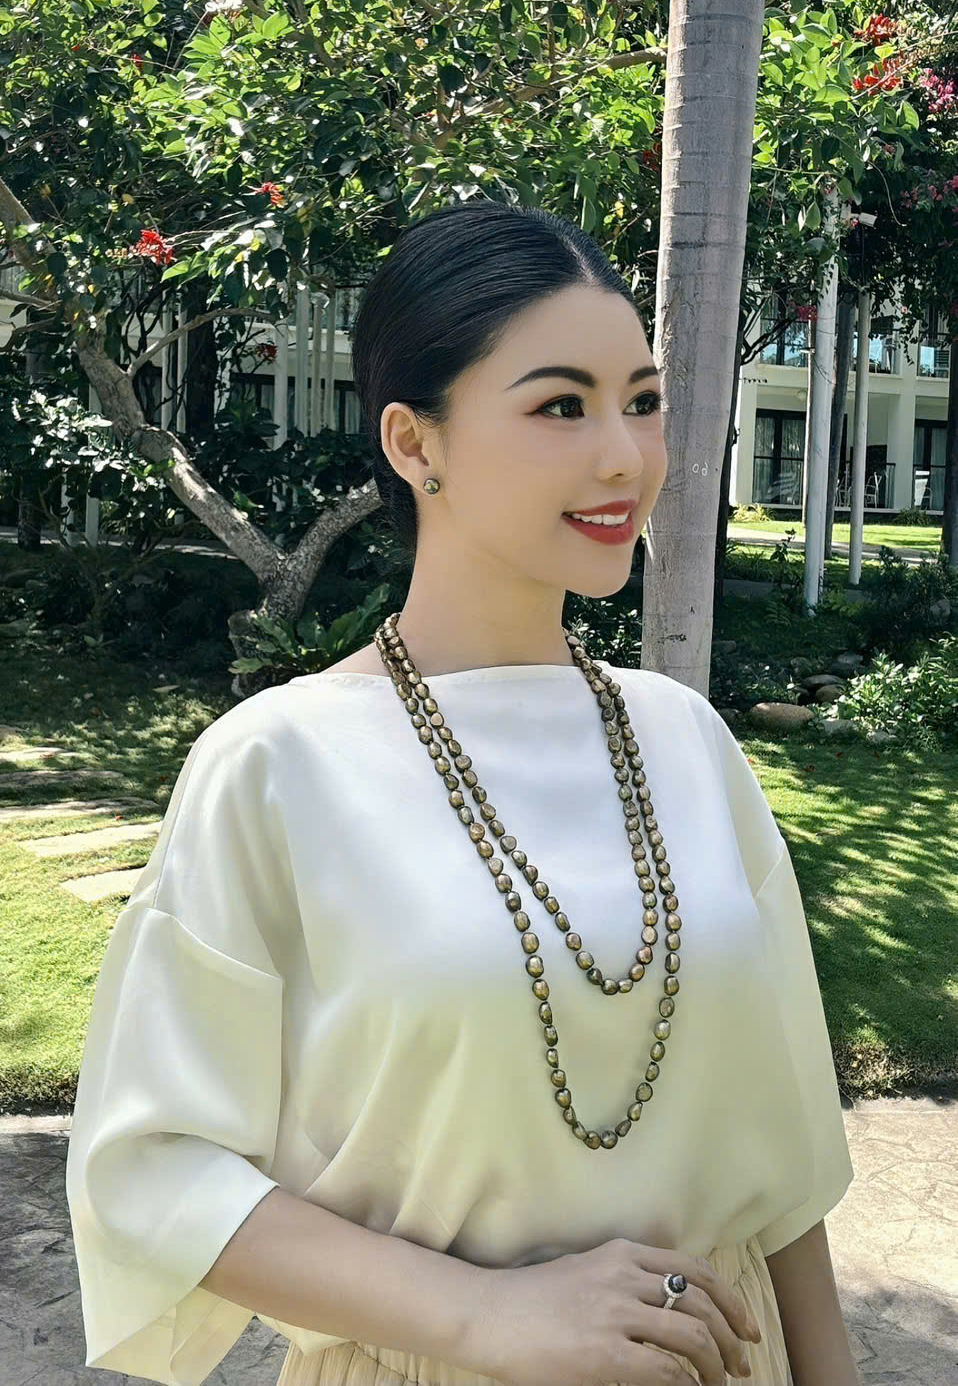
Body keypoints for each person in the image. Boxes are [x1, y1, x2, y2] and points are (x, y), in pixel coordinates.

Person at [66, 201, 858, 1386]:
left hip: (721, 1357)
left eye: (641, 400)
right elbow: (152, 1164)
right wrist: (481, 1313)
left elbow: (782, 1137)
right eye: (560, 406)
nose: (624, 456)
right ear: (413, 441)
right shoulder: (278, 764)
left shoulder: (685, 741)